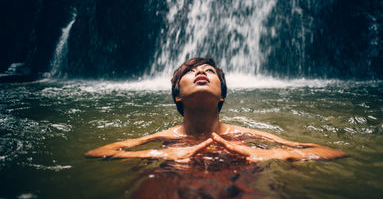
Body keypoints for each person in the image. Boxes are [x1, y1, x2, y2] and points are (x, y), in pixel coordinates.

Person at [85, 57, 347, 162]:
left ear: (222, 93)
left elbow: (334, 152)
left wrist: (270, 155)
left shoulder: (248, 135)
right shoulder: (164, 138)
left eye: (209, 71)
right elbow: (95, 153)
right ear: (177, 96)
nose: (200, 72)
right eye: (189, 71)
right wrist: (158, 155)